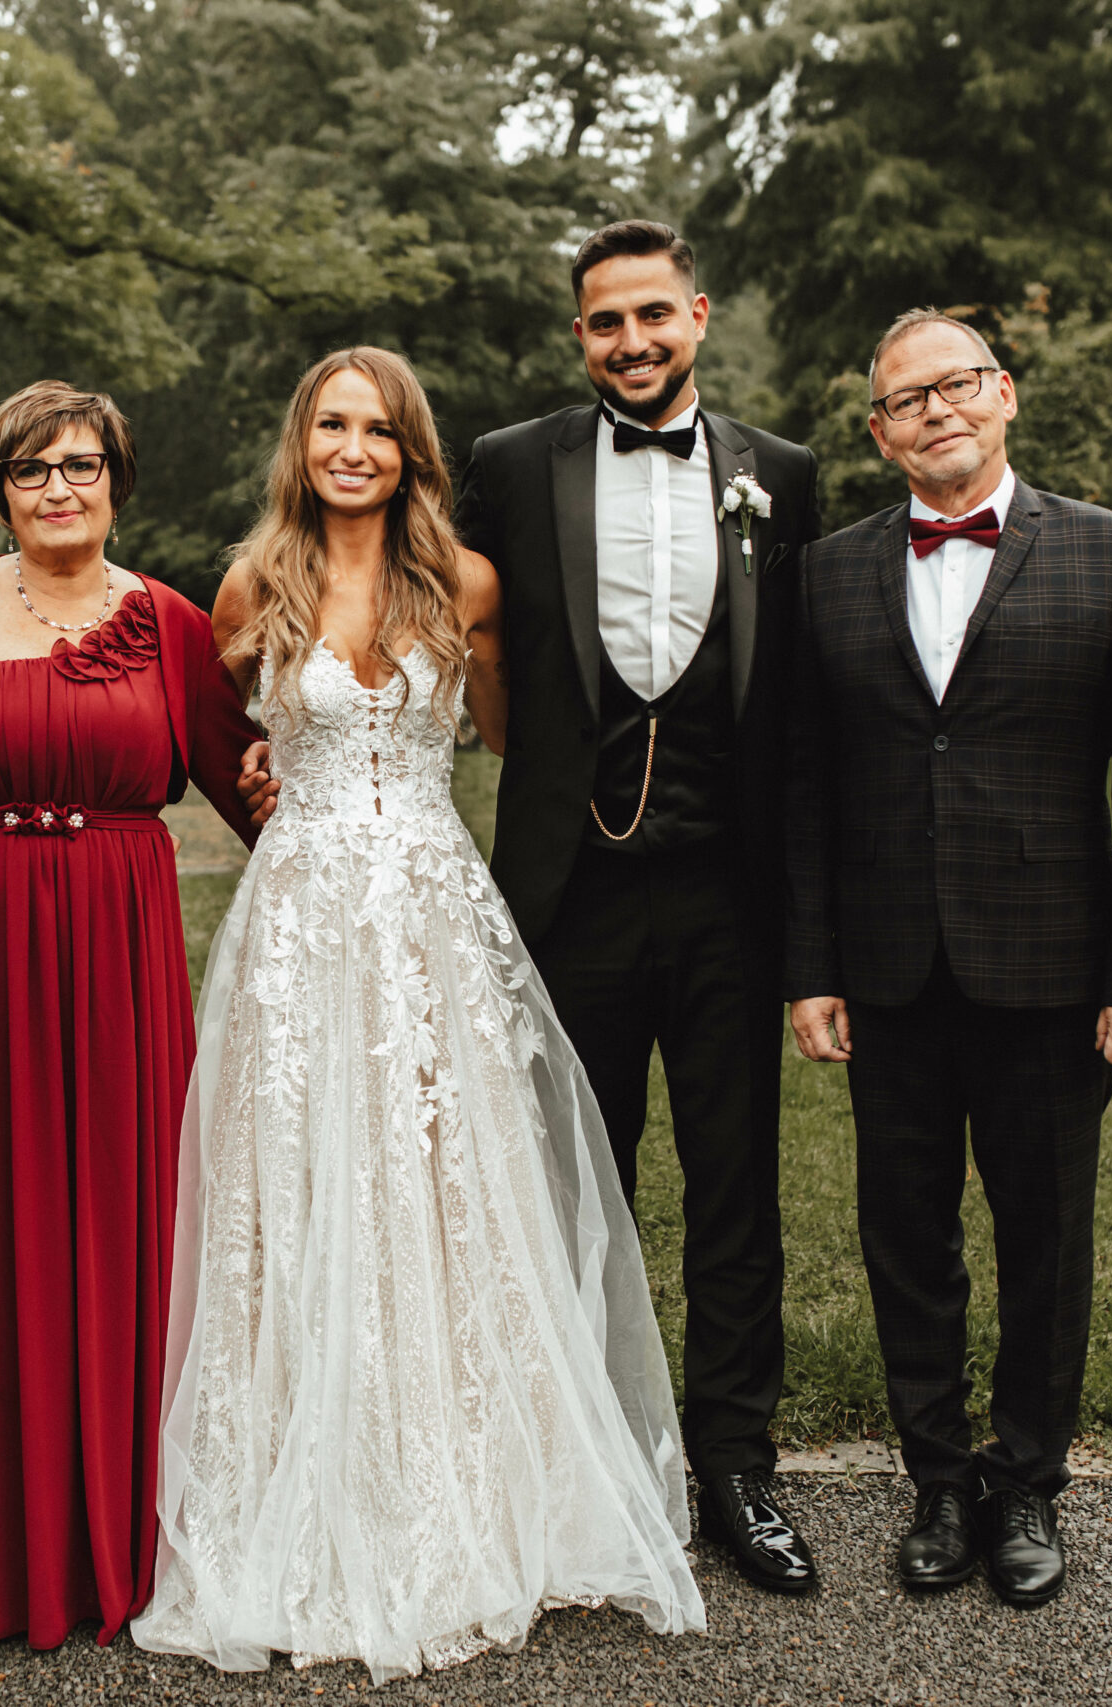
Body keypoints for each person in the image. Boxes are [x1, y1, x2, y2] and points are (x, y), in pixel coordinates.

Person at [135, 347, 705, 1683]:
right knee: (303, 1169)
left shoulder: (468, 582)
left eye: (379, 430)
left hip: (433, 910)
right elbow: (222, 737)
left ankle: (475, 1475)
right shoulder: (249, 585)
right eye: (332, 425)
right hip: (300, 918)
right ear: (302, 442)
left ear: (410, 453)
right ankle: (304, 1467)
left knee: (449, 1176)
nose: (353, 448)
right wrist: (266, 766)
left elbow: (502, 734)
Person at [783, 310, 1112, 1608]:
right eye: (907, 400)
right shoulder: (827, 572)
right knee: (906, 1237)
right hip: (889, 972)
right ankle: (937, 1479)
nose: (937, 411)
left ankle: (1026, 1480)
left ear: (1003, 393)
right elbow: (805, 784)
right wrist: (809, 965)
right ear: (879, 433)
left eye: (956, 384)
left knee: (1044, 1239)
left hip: (1054, 975)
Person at [447, 218, 827, 1594]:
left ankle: (735, 1462)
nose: (632, 341)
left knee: (735, 1188)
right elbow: (434, 614)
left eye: (654, 314)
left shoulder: (782, 475)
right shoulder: (509, 465)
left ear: (698, 316)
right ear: (579, 336)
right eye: (606, 321)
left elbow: (802, 697)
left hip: (729, 892)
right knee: (569, 1186)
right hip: (570, 894)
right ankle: (581, 1460)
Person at [0, 381, 262, 1651]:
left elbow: (260, 796)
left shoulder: (174, 624)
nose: (58, 489)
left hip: (117, 956)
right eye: (31, 469)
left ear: (116, 481)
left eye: (81, 465)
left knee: (119, 1221)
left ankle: (129, 1533)